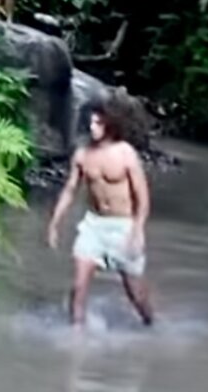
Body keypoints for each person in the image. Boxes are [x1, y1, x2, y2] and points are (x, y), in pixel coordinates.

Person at [47, 95, 155, 327]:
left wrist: (137, 231)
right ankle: (76, 337)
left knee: (135, 294)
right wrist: (55, 223)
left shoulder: (125, 153)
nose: (92, 127)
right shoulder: (83, 154)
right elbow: (69, 190)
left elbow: (143, 198)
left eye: (98, 123)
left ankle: (151, 323)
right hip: (93, 225)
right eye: (91, 123)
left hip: (123, 227)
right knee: (78, 286)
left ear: (110, 125)